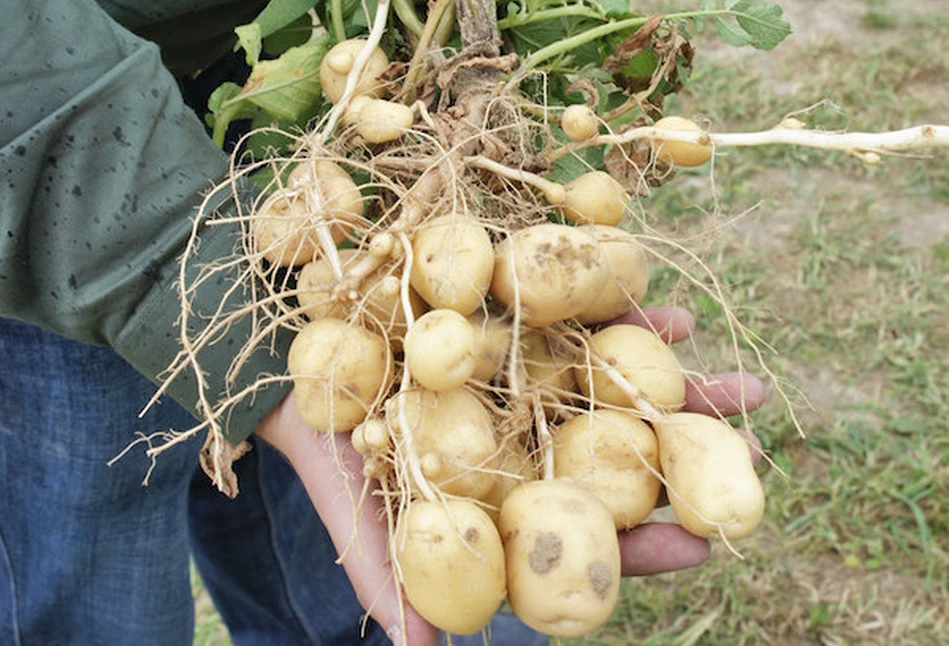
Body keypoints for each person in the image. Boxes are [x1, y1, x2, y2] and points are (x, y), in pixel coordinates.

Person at [0, 1, 766, 644]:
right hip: (44, 186)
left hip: (294, 90)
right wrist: (166, 252)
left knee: (354, 518)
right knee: (85, 567)